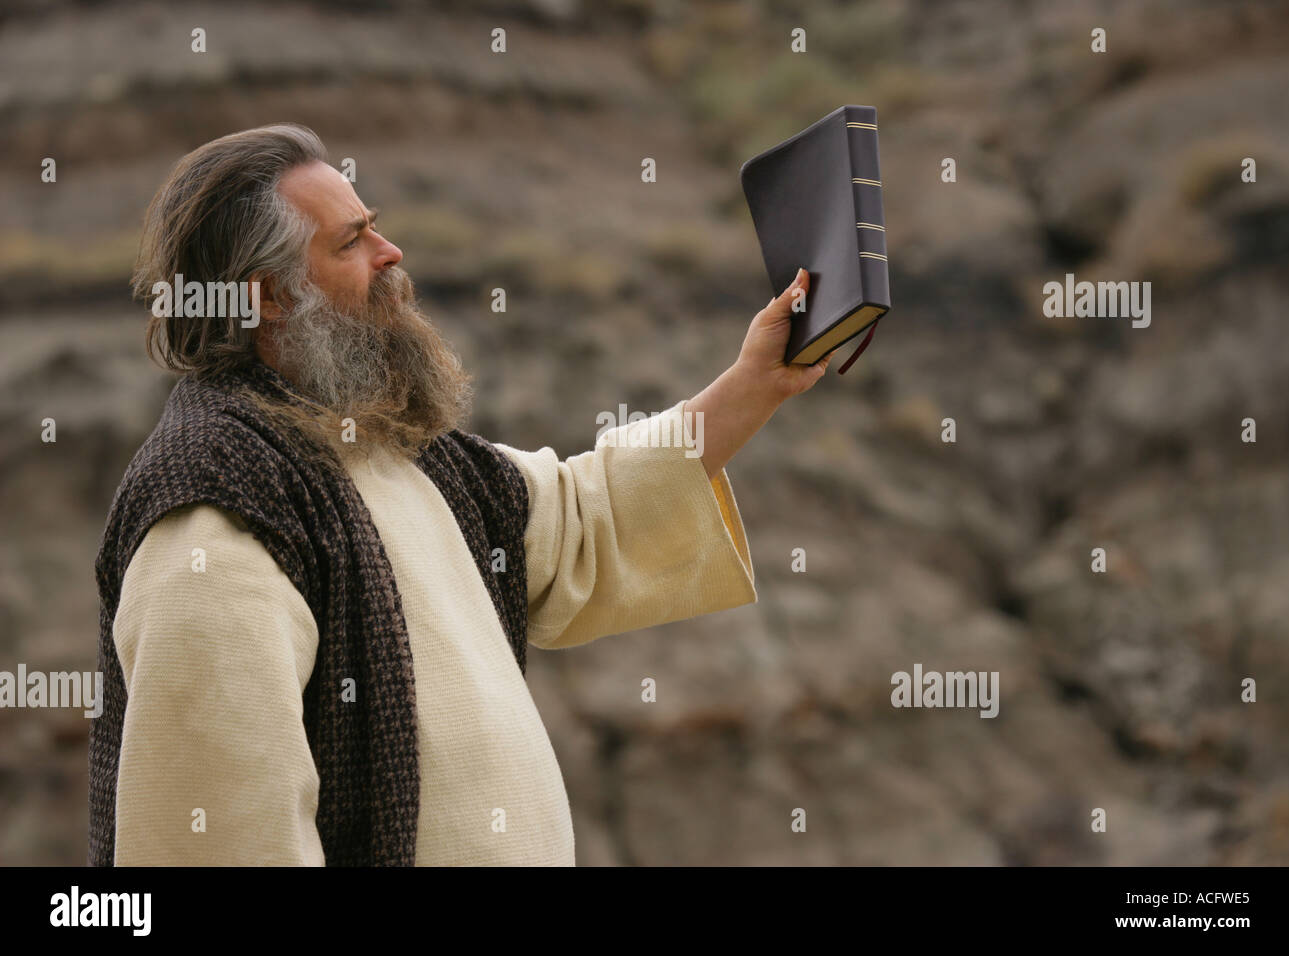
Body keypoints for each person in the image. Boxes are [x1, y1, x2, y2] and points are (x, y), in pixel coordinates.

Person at [90, 123, 836, 866]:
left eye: (373, 229)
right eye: (351, 243)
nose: (390, 255)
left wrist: (755, 383)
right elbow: (223, 846)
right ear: (269, 299)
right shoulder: (215, 517)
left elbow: (584, 512)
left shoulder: (399, 452)